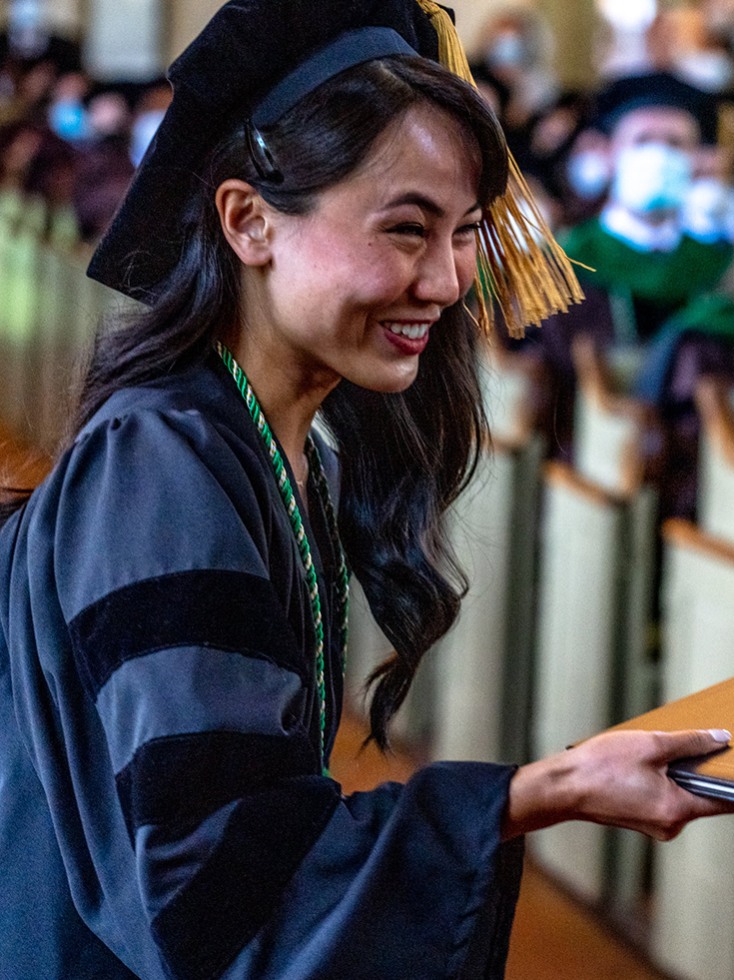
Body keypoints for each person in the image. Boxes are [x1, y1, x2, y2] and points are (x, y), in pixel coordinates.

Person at [0, 2, 731, 978]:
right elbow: (217, 884)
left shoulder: (260, 437)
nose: (442, 280)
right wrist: (535, 792)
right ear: (249, 220)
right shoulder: (165, 461)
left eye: (464, 232)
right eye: (403, 228)